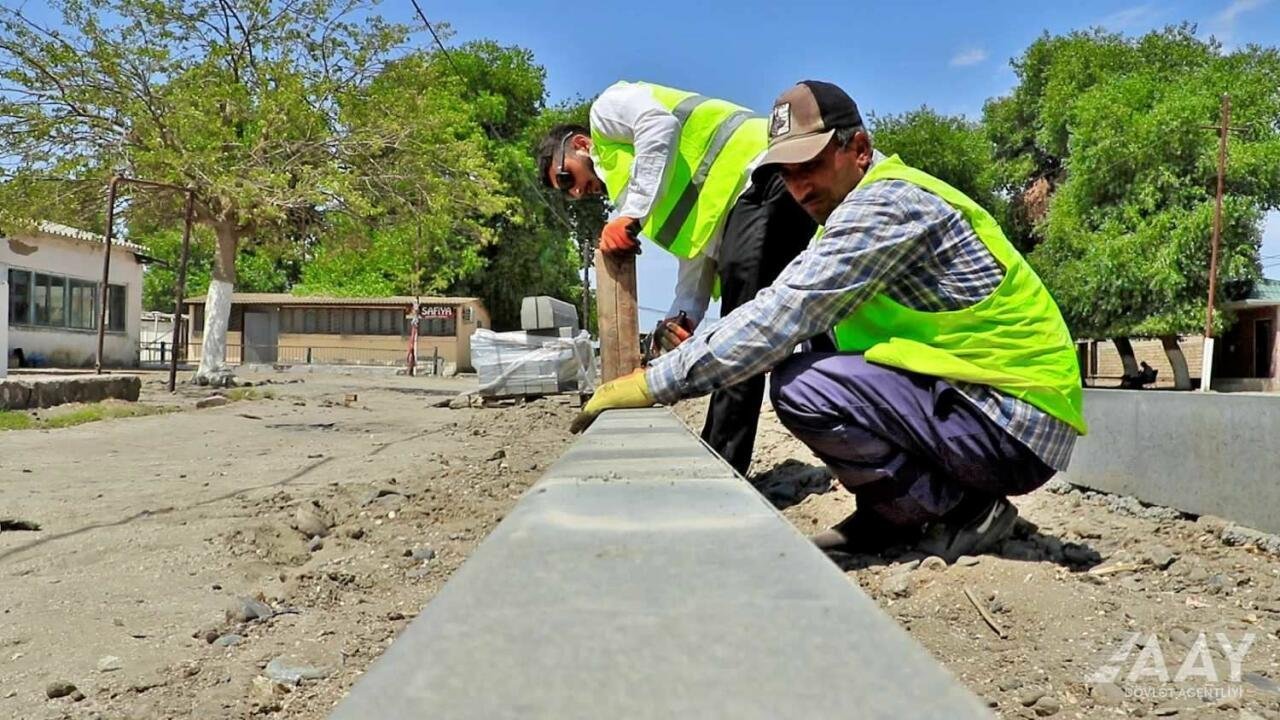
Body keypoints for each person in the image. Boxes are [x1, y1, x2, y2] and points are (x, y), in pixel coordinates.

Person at [568, 80, 1087, 561]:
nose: (799, 187)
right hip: (989, 407)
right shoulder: (844, 215)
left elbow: (778, 317)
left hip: (1013, 423)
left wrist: (651, 384)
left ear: (858, 148)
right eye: (786, 174)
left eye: (810, 165)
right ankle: (902, 509)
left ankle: (961, 510)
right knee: (818, 354)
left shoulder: (883, 206)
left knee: (804, 385)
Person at [536, 81, 818, 477]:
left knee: (741, 331)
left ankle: (720, 469)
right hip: (751, 199)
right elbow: (698, 249)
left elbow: (659, 125)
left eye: (566, 178)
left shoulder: (606, 112)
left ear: (581, 144)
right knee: (753, 325)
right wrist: (683, 315)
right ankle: (723, 457)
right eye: (566, 193)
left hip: (760, 172)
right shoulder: (638, 185)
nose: (576, 192)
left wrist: (631, 215)